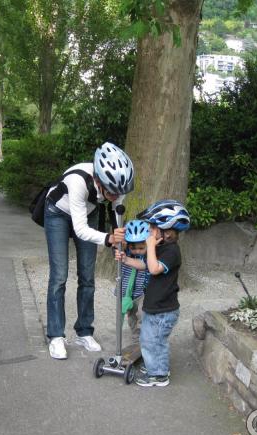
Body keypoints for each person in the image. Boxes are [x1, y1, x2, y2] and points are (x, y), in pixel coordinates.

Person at [45, 142, 135, 360]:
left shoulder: (117, 186)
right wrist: (108, 239)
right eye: (112, 192)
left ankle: (84, 331)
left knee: (87, 277)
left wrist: (119, 242)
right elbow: (81, 229)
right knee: (59, 276)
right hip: (58, 212)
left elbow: (117, 217)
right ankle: (56, 335)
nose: (116, 196)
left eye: (119, 192)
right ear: (99, 180)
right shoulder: (77, 181)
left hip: (90, 211)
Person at [119, 200, 190, 387]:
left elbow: (154, 268)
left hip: (164, 310)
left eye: (152, 228)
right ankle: (154, 365)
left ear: (165, 231)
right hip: (154, 307)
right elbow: (144, 266)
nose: (148, 231)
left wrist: (149, 247)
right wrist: (126, 259)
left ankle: (158, 375)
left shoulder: (172, 252)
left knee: (155, 341)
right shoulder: (159, 249)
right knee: (148, 339)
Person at [115, 219, 150, 343]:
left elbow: (143, 265)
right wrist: (119, 242)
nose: (137, 251)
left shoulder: (148, 255)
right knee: (131, 316)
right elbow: (116, 245)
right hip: (126, 292)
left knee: (142, 313)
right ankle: (136, 335)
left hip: (142, 292)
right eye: (134, 248)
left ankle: (145, 335)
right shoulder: (125, 251)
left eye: (141, 248)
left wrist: (126, 260)